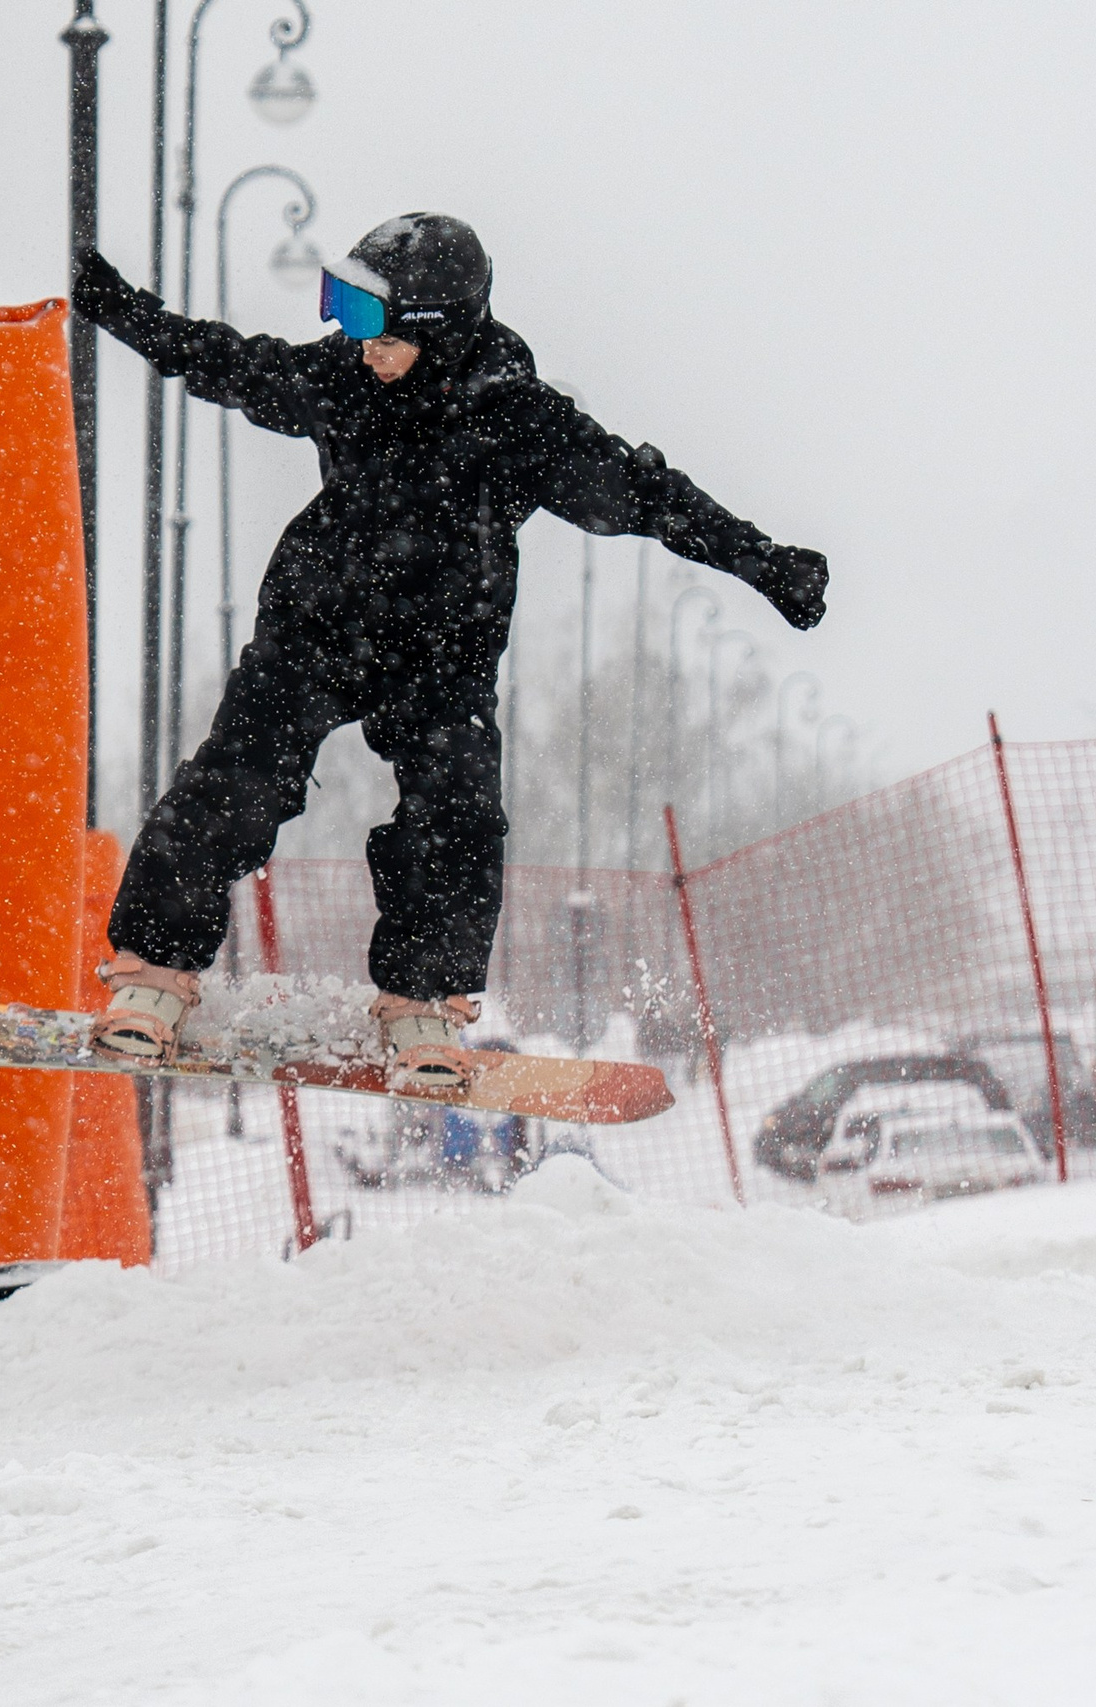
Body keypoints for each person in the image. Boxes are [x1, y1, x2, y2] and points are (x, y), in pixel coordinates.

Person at [71, 213, 828, 1088]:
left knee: (458, 813)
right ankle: (154, 977)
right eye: (340, 311)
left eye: (368, 322)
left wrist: (765, 563)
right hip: (319, 626)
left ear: (435, 329)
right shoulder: (345, 380)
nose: (352, 343)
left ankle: (423, 1001)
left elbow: (651, 496)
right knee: (237, 779)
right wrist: (120, 308)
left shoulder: (519, 422)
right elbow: (228, 362)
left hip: (440, 654)